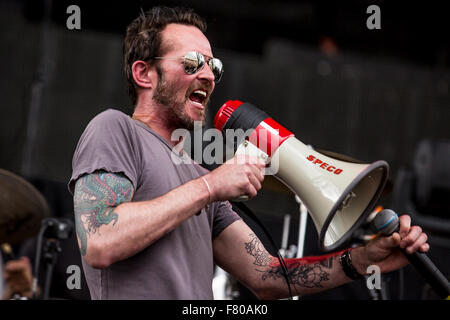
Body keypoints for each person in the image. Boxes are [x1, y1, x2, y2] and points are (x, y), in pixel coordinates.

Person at [68, 6, 429, 300]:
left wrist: (364, 259)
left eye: (214, 66)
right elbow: (100, 241)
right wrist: (212, 186)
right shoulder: (115, 129)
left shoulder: (196, 174)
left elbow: (268, 276)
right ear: (144, 73)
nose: (208, 76)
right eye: (193, 62)